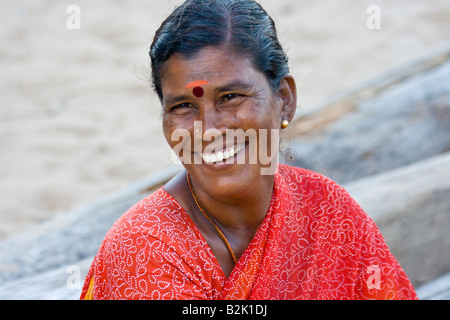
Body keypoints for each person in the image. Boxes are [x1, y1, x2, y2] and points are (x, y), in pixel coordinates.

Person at [80, 0, 417, 300]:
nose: (208, 129)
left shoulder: (328, 211)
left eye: (230, 97)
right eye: (183, 106)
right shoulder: (144, 251)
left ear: (284, 99)